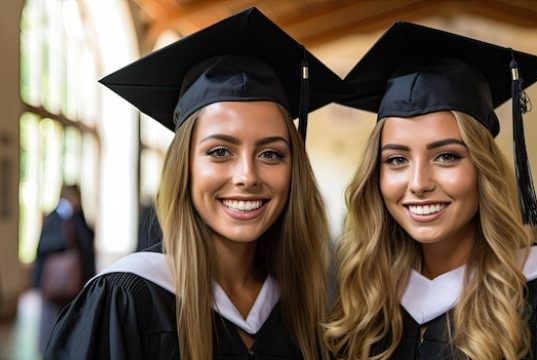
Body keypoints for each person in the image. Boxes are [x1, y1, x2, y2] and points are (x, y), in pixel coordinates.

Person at [44, 8, 348, 359]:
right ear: (184, 166)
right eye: (220, 151)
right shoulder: (125, 299)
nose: (247, 176)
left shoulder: (305, 302)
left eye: (271, 154)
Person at [324, 22, 537, 359]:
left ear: (484, 169)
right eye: (396, 159)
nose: (419, 183)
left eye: (447, 156)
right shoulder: (364, 303)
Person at [33, 184, 95, 354]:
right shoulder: (56, 218)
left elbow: (87, 247)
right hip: (55, 280)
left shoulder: (77, 217)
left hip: (75, 280)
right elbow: (44, 246)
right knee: (51, 319)